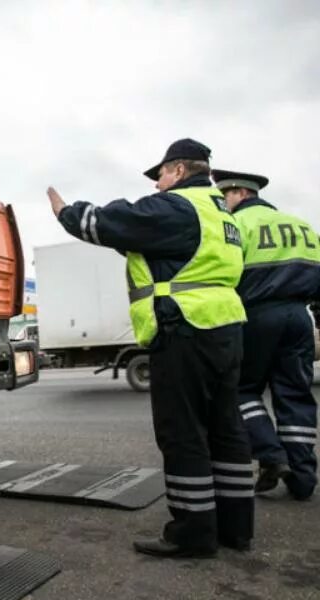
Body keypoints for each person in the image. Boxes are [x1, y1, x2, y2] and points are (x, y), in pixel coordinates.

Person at [47, 138, 254, 558]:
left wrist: (66, 213)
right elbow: (157, 245)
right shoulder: (222, 214)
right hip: (226, 329)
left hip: (185, 329)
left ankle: (193, 533)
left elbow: (113, 220)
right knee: (226, 429)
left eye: (160, 175)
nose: (157, 185)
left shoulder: (178, 207)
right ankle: (236, 528)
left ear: (178, 170)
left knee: (183, 433)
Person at [212, 169, 319, 500]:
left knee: (240, 390)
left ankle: (271, 455)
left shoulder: (236, 226)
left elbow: (224, 275)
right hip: (299, 317)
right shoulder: (301, 227)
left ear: (241, 194)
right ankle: (303, 478)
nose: (222, 203)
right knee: (295, 395)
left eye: (225, 196)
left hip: (255, 316)